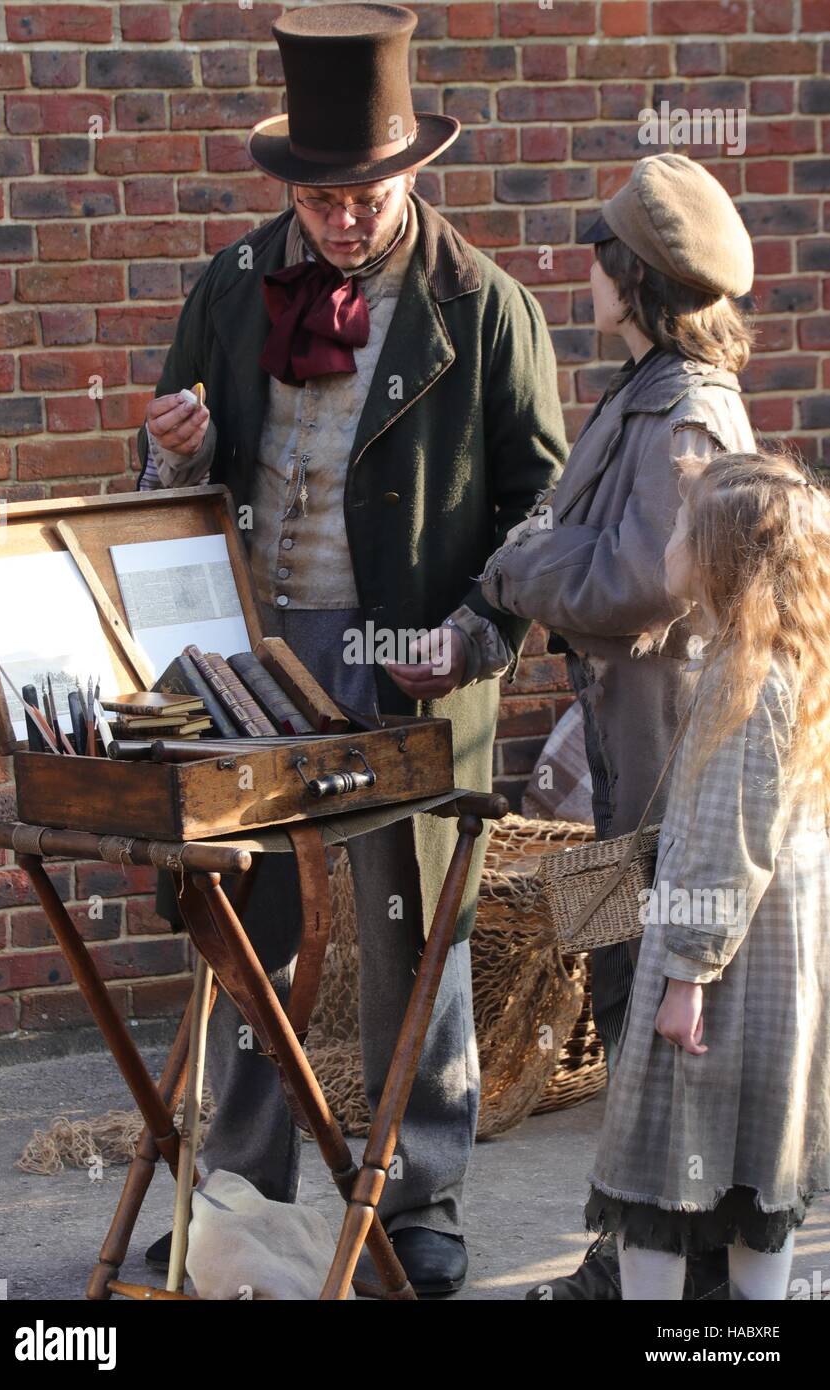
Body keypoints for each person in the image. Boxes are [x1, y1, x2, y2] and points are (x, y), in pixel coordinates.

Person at [135, 2, 566, 1296]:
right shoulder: (228, 284)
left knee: (406, 935)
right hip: (261, 655)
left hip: (411, 659)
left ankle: (414, 1198)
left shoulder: (482, 308)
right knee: (252, 928)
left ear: (415, 169)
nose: (346, 217)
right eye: (323, 195)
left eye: (370, 190)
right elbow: (175, 464)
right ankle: (236, 1193)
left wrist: (477, 634)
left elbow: (539, 507)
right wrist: (174, 450)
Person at [479, 153, 756, 1300]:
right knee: (616, 998)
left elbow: (646, 582)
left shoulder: (687, 409)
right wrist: (544, 559)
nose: (582, 269)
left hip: (662, 775)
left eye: (599, 254)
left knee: (659, 1020)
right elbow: (573, 536)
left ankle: (670, 1275)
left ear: (634, 277)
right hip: (605, 761)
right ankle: (624, 1255)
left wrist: (524, 572)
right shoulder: (635, 389)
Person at [582, 450, 830, 1300]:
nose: (669, 539)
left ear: (721, 557)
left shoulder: (746, 678)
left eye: (683, 527)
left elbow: (729, 842)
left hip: (720, 970)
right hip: (770, 966)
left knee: (662, 1170)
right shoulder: (781, 662)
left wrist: (684, 975)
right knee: (756, 1164)